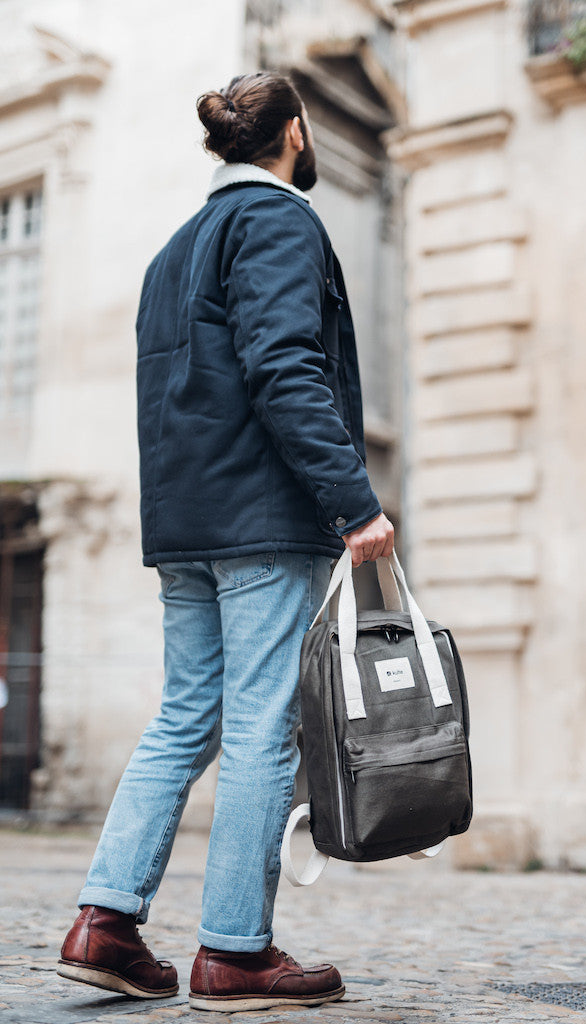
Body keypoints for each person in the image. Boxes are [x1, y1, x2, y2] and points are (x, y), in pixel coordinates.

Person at [57, 71, 394, 1012]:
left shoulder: (175, 249)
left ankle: (106, 923)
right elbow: (284, 365)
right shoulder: (280, 222)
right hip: (260, 519)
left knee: (185, 718)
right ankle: (236, 953)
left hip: (186, 522)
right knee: (257, 727)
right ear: (293, 132)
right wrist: (352, 501)